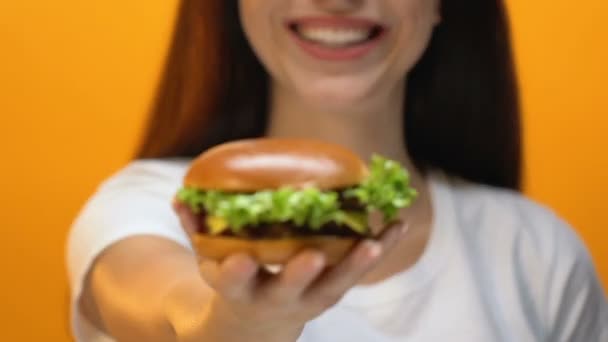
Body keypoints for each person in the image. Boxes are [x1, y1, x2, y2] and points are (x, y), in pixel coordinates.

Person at [66, 0, 608, 341]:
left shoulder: (539, 254)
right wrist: (231, 326)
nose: (339, 0)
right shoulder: (144, 208)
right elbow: (161, 304)